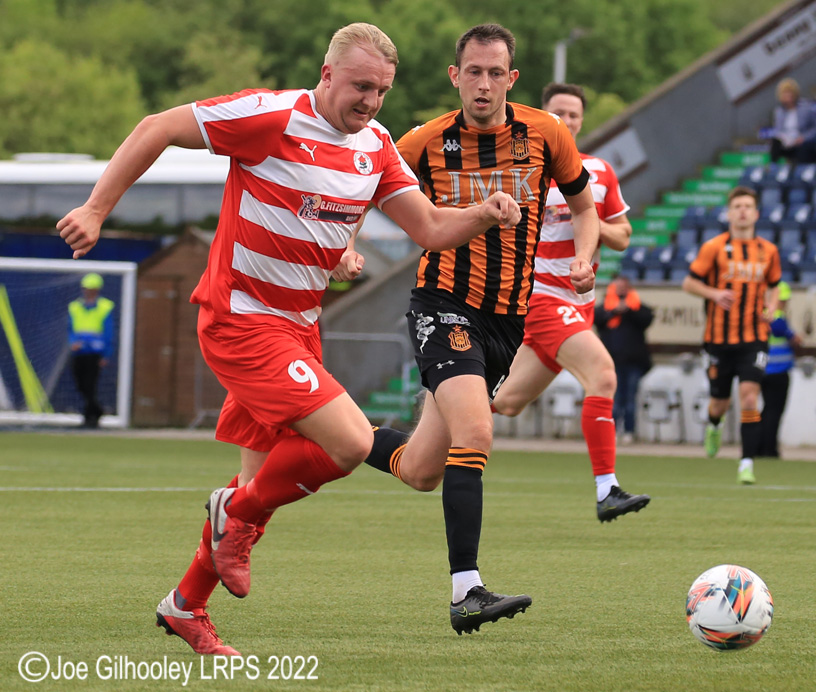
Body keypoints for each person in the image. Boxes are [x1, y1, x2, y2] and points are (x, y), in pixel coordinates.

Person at [57, 23, 522, 657]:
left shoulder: (377, 145)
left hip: (300, 329)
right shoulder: (271, 116)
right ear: (326, 74)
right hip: (241, 319)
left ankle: (184, 606)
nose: (370, 102)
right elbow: (156, 127)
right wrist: (96, 209)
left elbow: (433, 229)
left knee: (259, 486)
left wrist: (482, 213)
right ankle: (235, 513)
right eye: (360, 86)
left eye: (381, 90)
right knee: (352, 442)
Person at [336, 28, 613, 634]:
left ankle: (328, 433)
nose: (483, 83)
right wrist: (348, 246)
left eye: (495, 73)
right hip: (443, 304)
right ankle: (467, 590)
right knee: (478, 428)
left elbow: (586, 207)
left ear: (511, 80)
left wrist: (584, 260)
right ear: (454, 75)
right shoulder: (424, 142)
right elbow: (359, 189)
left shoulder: (547, 134)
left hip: (506, 322)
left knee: (419, 470)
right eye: (473, 72)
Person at [491, 84, 648, 524]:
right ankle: (607, 489)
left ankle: (420, 432)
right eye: (558, 112)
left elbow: (623, 234)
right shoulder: (526, 171)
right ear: (545, 114)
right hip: (539, 296)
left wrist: (590, 220)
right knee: (603, 374)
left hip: (580, 303)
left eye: (574, 114)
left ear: (581, 120)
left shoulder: (598, 172)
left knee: (505, 402)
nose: (566, 120)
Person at [681, 186, 782, 485]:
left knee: (750, 397)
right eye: (737, 205)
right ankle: (714, 424)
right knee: (719, 402)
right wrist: (714, 293)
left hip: (754, 337)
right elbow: (689, 283)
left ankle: (746, 463)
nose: (742, 211)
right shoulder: (713, 247)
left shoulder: (769, 251)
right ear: (729, 213)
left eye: (748, 206)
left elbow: (775, 284)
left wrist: (772, 307)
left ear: (756, 213)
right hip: (719, 339)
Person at [594, 274, 654, 447]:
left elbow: (647, 318)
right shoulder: (605, 308)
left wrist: (627, 311)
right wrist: (614, 311)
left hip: (633, 362)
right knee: (612, 399)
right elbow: (597, 318)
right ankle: (611, 431)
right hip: (611, 363)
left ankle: (629, 431)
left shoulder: (637, 308)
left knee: (629, 399)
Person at [758, 281, 803, 458]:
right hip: (778, 371)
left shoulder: (762, 315)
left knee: (767, 410)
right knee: (774, 411)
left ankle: (759, 446)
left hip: (763, 370)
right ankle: (768, 449)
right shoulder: (777, 318)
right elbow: (792, 337)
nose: (785, 304)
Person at [67, 272, 115, 428]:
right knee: (80, 384)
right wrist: (73, 342)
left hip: (95, 353)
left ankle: (90, 417)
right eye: (86, 288)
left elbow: (109, 332)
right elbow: (70, 329)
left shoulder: (105, 307)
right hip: (79, 352)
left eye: (91, 288)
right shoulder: (74, 306)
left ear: (97, 289)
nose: (88, 291)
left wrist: (106, 354)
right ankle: (98, 410)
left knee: (90, 385)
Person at [769, 78, 816, 164]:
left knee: (803, 148)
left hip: (801, 141)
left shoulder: (806, 107)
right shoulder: (779, 111)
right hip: (786, 142)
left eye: (789, 93)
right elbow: (778, 130)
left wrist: (804, 138)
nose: (787, 96)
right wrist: (782, 138)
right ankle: (772, 168)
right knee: (775, 143)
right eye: (785, 93)